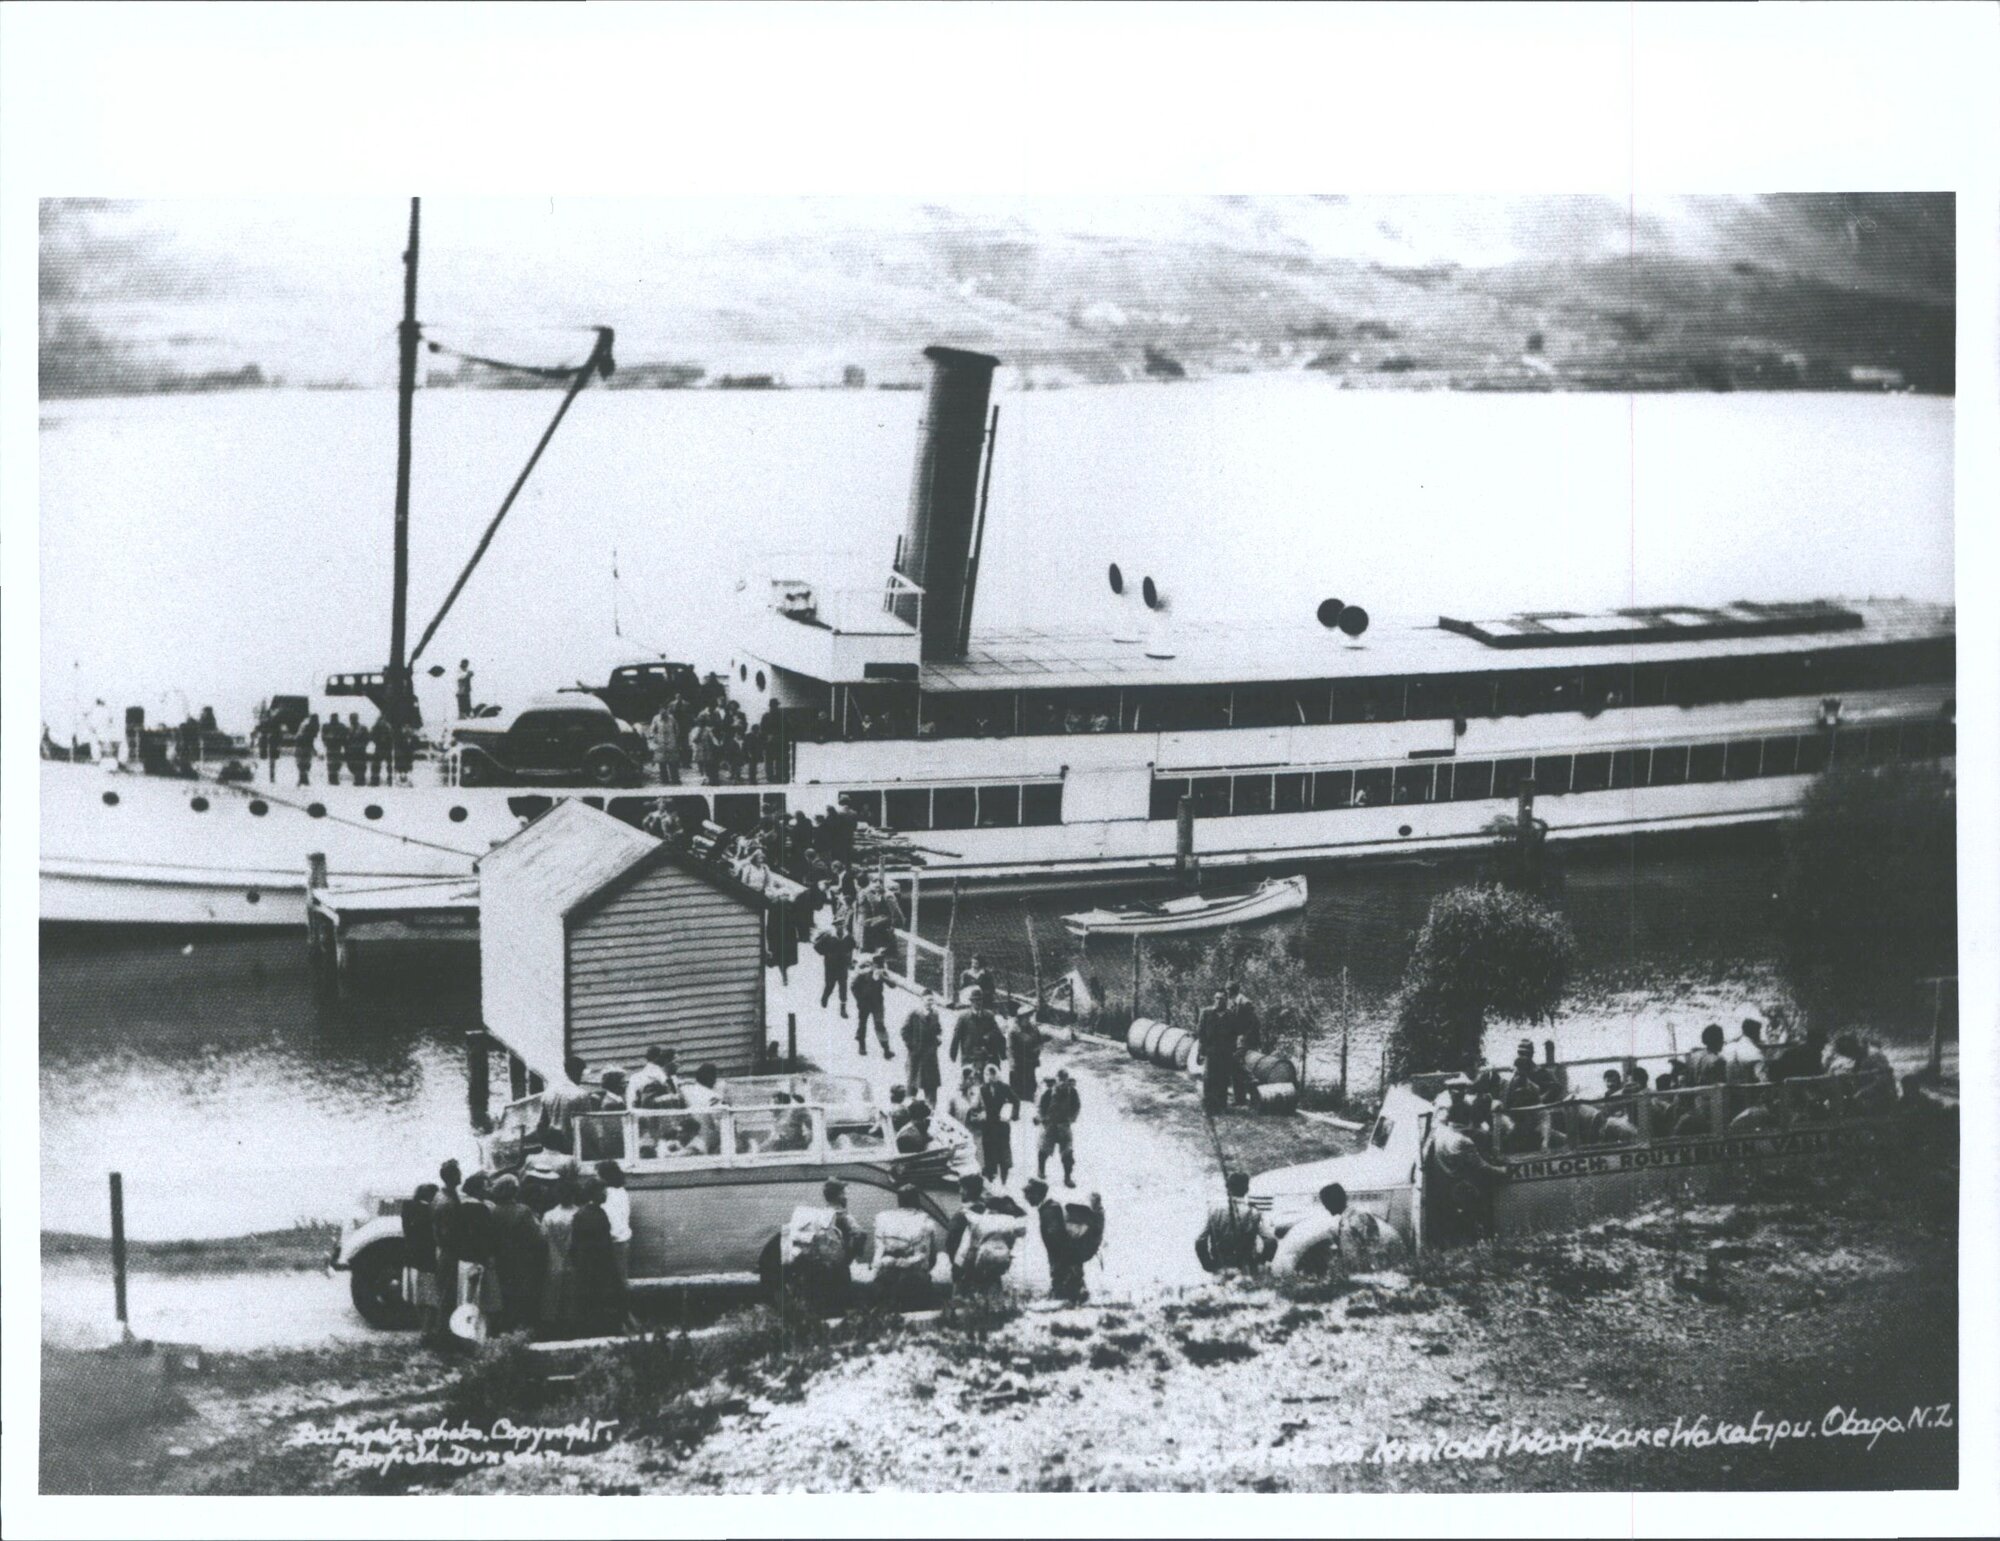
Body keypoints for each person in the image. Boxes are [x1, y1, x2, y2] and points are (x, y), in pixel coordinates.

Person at [1424, 1100, 1508, 1241]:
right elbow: (1482, 1166)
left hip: (1444, 1184)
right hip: (1462, 1186)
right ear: (1466, 1119)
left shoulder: (1440, 1132)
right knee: (1479, 1214)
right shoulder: (1464, 1141)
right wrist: (1502, 1171)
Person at [781, 1177, 863, 1315]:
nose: (846, 1196)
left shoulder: (818, 1215)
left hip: (818, 1266)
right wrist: (849, 1256)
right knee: (840, 1306)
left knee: (820, 1305)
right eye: (845, 1193)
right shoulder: (842, 1215)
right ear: (839, 1196)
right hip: (839, 1268)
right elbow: (860, 1234)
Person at [1025, 1178, 1104, 1303]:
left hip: (1065, 1255)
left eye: (1029, 1193)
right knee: (1070, 1282)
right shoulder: (1048, 1207)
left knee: (1065, 1285)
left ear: (1037, 1194)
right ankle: (1074, 1294)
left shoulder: (1049, 1210)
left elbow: (1056, 1239)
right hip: (1069, 1253)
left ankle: (1069, 1296)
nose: (1026, 1197)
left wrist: (1059, 1260)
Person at [488, 1173, 546, 1334]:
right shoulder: (523, 1211)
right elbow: (538, 1238)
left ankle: (506, 1330)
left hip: (501, 1259)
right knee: (524, 1296)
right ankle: (522, 1331)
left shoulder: (493, 1211)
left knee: (506, 1296)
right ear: (514, 1191)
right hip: (523, 1260)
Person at [569, 1174, 627, 1336]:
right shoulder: (595, 1214)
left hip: (587, 1264)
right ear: (594, 1193)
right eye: (603, 1191)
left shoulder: (585, 1213)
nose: (606, 1194)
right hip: (598, 1264)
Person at [871, 1185, 945, 1309]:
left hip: (886, 1277)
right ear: (917, 1200)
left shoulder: (883, 1218)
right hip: (914, 1279)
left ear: (899, 1201)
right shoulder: (925, 1221)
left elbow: (878, 1252)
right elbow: (930, 1258)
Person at [1196, 1172, 1277, 1274]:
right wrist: (1261, 1261)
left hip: (1221, 1266)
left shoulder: (1214, 1211)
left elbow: (1200, 1241)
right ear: (1247, 1189)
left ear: (1228, 1188)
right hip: (1246, 1266)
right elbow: (1271, 1240)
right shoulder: (1254, 1212)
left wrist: (1207, 1264)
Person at [452, 1171, 503, 1332]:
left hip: (464, 1260)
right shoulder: (480, 1209)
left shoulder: (462, 1205)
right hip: (478, 1261)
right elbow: (486, 1238)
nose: (489, 1189)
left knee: (466, 1300)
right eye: (486, 1186)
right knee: (480, 1301)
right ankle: (478, 1335)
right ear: (477, 1189)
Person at [539, 1172, 580, 1338]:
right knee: (571, 1295)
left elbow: (543, 1237)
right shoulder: (578, 1214)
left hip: (554, 1259)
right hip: (573, 1260)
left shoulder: (549, 1215)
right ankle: (571, 1329)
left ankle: (552, 1329)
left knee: (552, 1295)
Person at [400, 1181, 442, 1340]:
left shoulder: (408, 1208)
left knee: (417, 1297)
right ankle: (427, 1330)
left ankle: (424, 1328)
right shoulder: (430, 1212)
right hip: (428, 1260)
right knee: (430, 1298)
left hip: (411, 1258)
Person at [973, 1063, 1020, 1184]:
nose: (990, 1077)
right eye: (987, 1074)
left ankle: (1004, 1178)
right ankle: (991, 1177)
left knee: (1003, 1150)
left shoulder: (1004, 1087)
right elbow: (976, 1107)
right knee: (989, 1151)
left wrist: (1013, 1115)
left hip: (1002, 1125)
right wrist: (980, 1114)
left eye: (993, 1073)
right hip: (988, 1126)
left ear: (997, 1074)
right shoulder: (983, 1089)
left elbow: (1016, 1101)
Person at [539, 1057, 598, 1154]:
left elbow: (542, 1122)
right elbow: (587, 1125)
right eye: (582, 1074)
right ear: (578, 1072)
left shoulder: (548, 1092)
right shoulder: (581, 1095)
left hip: (551, 1145)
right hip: (572, 1145)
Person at [1036, 1068, 1081, 1187]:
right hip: (1050, 1126)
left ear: (1067, 1080)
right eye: (1059, 1079)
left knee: (1068, 1154)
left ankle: (1067, 1178)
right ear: (1056, 1079)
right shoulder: (1049, 1092)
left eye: (1064, 1079)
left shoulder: (1072, 1092)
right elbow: (1041, 1106)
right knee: (1043, 1150)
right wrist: (1043, 1119)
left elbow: (1077, 1106)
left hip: (1064, 1127)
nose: (1061, 1082)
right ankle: (1041, 1171)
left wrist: (1071, 1119)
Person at [1832, 1032, 1898, 1113]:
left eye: (1848, 1054)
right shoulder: (1857, 1057)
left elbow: (1883, 1080)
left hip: (1881, 1096)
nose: (1848, 1057)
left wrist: (1862, 1092)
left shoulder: (1875, 1056)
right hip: (1864, 1095)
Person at [431, 1159, 463, 1318]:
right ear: (452, 1176)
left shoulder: (441, 1195)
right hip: (449, 1253)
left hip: (445, 1251)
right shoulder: (447, 1201)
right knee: (448, 1295)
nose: (461, 1175)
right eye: (458, 1172)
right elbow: (447, 1234)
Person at [1196, 988, 1235, 1115]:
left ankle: (1222, 1106)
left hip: (1225, 1052)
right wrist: (1201, 1051)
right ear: (1214, 999)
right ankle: (1207, 1108)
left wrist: (1232, 1051)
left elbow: (1233, 1034)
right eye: (1217, 998)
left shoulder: (1230, 1015)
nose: (1219, 1001)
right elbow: (1200, 1033)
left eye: (1222, 999)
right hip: (1210, 1051)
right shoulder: (1206, 1013)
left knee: (1223, 1079)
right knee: (1208, 1080)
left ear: (1226, 1000)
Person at [951, 988, 1005, 1071]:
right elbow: (956, 1036)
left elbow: (997, 1033)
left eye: (979, 1000)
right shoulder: (963, 1018)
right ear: (971, 1002)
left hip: (987, 1056)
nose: (977, 1003)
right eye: (975, 1000)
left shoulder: (989, 1016)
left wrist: (1002, 1054)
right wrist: (953, 1054)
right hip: (970, 1057)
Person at [901, 999, 944, 1104]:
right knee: (912, 1087)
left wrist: (938, 1039)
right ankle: (908, 1110)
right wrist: (912, 1047)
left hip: (930, 1058)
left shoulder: (935, 1014)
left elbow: (938, 1029)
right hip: (916, 1058)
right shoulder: (914, 1014)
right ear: (922, 1000)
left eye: (931, 1000)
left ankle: (931, 1113)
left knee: (931, 1088)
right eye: (928, 1000)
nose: (930, 1002)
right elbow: (904, 1031)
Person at [851, 957, 893, 1058]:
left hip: (877, 1004)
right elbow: (853, 987)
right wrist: (859, 1000)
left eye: (881, 967)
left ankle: (886, 1050)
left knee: (879, 1025)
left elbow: (893, 985)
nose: (879, 969)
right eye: (877, 967)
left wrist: (884, 978)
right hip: (864, 1004)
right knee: (862, 1024)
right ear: (873, 966)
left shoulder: (883, 975)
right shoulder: (863, 975)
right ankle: (862, 1046)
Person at [815, 918, 854, 1018]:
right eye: (838, 925)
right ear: (835, 926)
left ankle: (843, 1009)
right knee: (830, 985)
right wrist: (826, 954)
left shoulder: (848, 937)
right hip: (830, 966)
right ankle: (825, 997)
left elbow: (851, 948)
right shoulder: (829, 937)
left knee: (843, 987)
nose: (840, 927)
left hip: (842, 966)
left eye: (842, 925)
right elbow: (817, 946)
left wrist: (850, 961)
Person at [1007, 1009, 1042, 1102]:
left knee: (1031, 1089)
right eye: (1024, 1017)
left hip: (1031, 1064)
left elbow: (1039, 1041)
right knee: (1018, 1092)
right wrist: (1013, 1064)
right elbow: (1010, 1049)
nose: (1027, 1019)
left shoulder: (1033, 1028)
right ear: (1019, 1018)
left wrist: (1037, 1050)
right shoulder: (1013, 1031)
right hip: (1019, 1066)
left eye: (1028, 1017)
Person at [1723, 1018, 1767, 1085]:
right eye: (1759, 1032)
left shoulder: (1728, 1048)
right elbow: (1763, 1080)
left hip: (1729, 1090)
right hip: (1748, 1092)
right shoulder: (1755, 1052)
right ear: (1755, 1032)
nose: (1760, 1035)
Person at [343, 712, 368, 787]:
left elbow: (367, 738)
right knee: (352, 766)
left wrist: (362, 745)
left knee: (360, 766)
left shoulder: (362, 728)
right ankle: (358, 778)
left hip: (360, 750)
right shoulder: (348, 729)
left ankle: (360, 780)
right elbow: (345, 740)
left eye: (354, 718)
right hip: (351, 751)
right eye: (351, 719)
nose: (352, 720)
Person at [321, 712, 347, 786]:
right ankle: (332, 779)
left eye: (335, 718)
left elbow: (344, 736)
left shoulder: (341, 726)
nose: (334, 719)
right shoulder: (327, 726)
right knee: (331, 763)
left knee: (336, 763)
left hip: (337, 747)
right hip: (331, 747)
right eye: (333, 718)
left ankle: (334, 778)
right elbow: (323, 736)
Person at [294, 712, 319, 786]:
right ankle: (303, 779)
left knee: (302, 763)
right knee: (305, 763)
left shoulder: (305, 724)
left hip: (300, 745)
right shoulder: (312, 726)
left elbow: (300, 736)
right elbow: (310, 739)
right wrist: (314, 751)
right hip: (304, 746)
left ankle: (302, 779)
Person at [368, 713, 392, 787]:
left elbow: (371, 736)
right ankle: (390, 780)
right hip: (387, 748)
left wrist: (377, 741)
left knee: (376, 765)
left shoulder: (377, 725)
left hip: (380, 747)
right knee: (389, 765)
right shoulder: (389, 726)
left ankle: (375, 780)